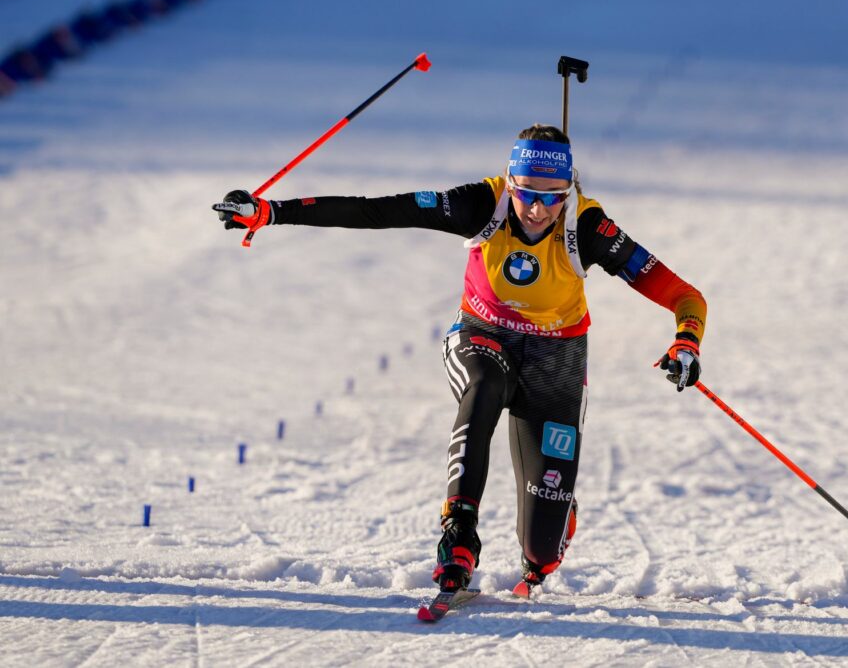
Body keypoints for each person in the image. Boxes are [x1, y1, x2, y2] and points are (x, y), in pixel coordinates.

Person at [212, 124, 707, 595]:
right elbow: (377, 211)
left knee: (542, 553)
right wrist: (270, 212)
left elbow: (685, 295)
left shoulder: (589, 227)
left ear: (568, 191)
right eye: (526, 192)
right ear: (509, 182)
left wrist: (686, 342)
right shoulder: (480, 204)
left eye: (551, 197)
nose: (536, 209)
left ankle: (550, 524)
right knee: (485, 383)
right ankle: (459, 532)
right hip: (482, 335)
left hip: (556, 358)